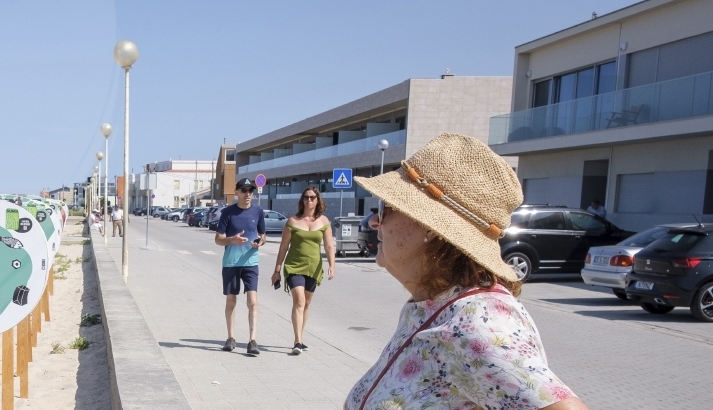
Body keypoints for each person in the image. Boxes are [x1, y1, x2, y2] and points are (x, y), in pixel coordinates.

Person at [344, 133, 586, 410]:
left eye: (385, 208)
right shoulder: (434, 304)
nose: (375, 222)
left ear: (430, 228)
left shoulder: (477, 325)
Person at [271, 186, 336, 355]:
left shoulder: (323, 221)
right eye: (306, 197)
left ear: (317, 200)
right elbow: (283, 247)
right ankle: (297, 341)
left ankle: (301, 336)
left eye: (312, 197)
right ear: (302, 200)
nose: (309, 200)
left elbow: (329, 245)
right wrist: (277, 270)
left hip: (313, 267)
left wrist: (332, 265)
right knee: (299, 301)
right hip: (294, 266)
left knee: (306, 303)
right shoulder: (292, 221)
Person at [213, 178, 266, 355]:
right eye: (244, 190)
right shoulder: (228, 213)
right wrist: (232, 240)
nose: (248, 193)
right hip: (231, 263)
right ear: (236, 192)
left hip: (251, 262)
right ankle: (230, 337)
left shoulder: (258, 211)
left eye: (250, 190)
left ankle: (252, 340)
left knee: (252, 301)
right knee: (231, 301)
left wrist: (260, 242)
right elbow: (218, 239)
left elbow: (263, 235)